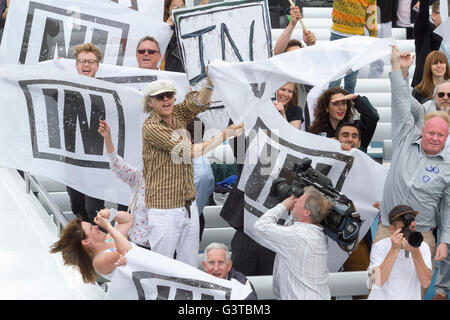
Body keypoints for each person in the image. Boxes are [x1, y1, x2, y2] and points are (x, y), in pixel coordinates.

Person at [142, 75, 237, 267]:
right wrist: (225, 135)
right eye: (160, 97)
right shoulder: (151, 127)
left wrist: (210, 82)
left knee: (189, 266)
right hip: (164, 208)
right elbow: (191, 152)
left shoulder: (176, 115)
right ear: (150, 102)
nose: (166, 99)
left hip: (188, 204)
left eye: (169, 95)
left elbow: (198, 103)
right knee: (162, 267)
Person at [374, 46, 449, 271]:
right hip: (388, 230)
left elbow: (449, 207)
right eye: (431, 133)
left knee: (419, 289)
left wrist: (444, 240)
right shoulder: (405, 137)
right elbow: (400, 102)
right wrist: (400, 71)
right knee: (379, 287)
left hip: (423, 235)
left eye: (440, 135)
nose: (435, 138)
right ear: (422, 129)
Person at [253, 186, 333, 300]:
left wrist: (283, 205)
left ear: (306, 212)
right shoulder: (317, 233)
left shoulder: (298, 236)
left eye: (300, 199)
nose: (295, 199)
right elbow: (293, 224)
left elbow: (260, 226)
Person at [66, 43, 105, 222]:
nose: (86, 65)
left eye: (91, 62)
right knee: (77, 205)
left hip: (95, 158)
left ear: (97, 66)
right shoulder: (65, 88)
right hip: (72, 157)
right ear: (76, 65)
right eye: (82, 61)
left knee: (94, 208)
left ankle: (98, 243)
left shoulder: (107, 91)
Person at [50, 209, 133, 283]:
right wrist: (108, 227)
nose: (96, 226)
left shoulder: (109, 239)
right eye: (91, 228)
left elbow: (128, 220)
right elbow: (126, 251)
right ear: (86, 241)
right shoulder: (98, 262)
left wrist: (113, 214)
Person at [368, 205, 432, 300]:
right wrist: (394, 249)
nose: (410, 232)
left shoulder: (423, 247)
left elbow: (426, 283)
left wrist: (415, 251)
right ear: (391, 229)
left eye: (413, 228)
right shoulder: (379, 246)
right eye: (405, 230)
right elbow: (373, 282)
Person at [308, 87, 380, 153]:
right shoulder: (316, 132)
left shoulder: (355, 128)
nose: (341, 108)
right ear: (326, 108)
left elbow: (372, 117)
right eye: (335, 104)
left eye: (344, 103)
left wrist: (355, 98)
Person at [328, 0, 378, 93]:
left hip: (356, 39)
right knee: (335, 79)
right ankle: (330, 105)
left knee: (351, 80)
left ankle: (348, 105)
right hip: (338, 35)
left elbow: (371, 17)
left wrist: (373, 38)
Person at [411, 0, 443, 88]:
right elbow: (423, 14)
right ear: (433, 15)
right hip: (424, 86)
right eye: (443, 12)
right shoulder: (425, 29)